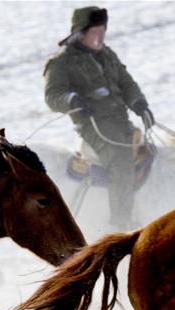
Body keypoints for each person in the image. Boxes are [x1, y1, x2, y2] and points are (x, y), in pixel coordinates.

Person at [44, 6, 154, 230]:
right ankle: (121, 224)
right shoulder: (61, 63)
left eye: (103, 30)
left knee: (150, 154)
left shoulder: (107, 54)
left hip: (121, 122)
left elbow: (126, 83)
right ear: (79, 33)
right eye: (95, 31)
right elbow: (52, 96)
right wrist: (72, 100)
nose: (101, 36)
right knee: (122, 160)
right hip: (94, 127)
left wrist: (139, 104)